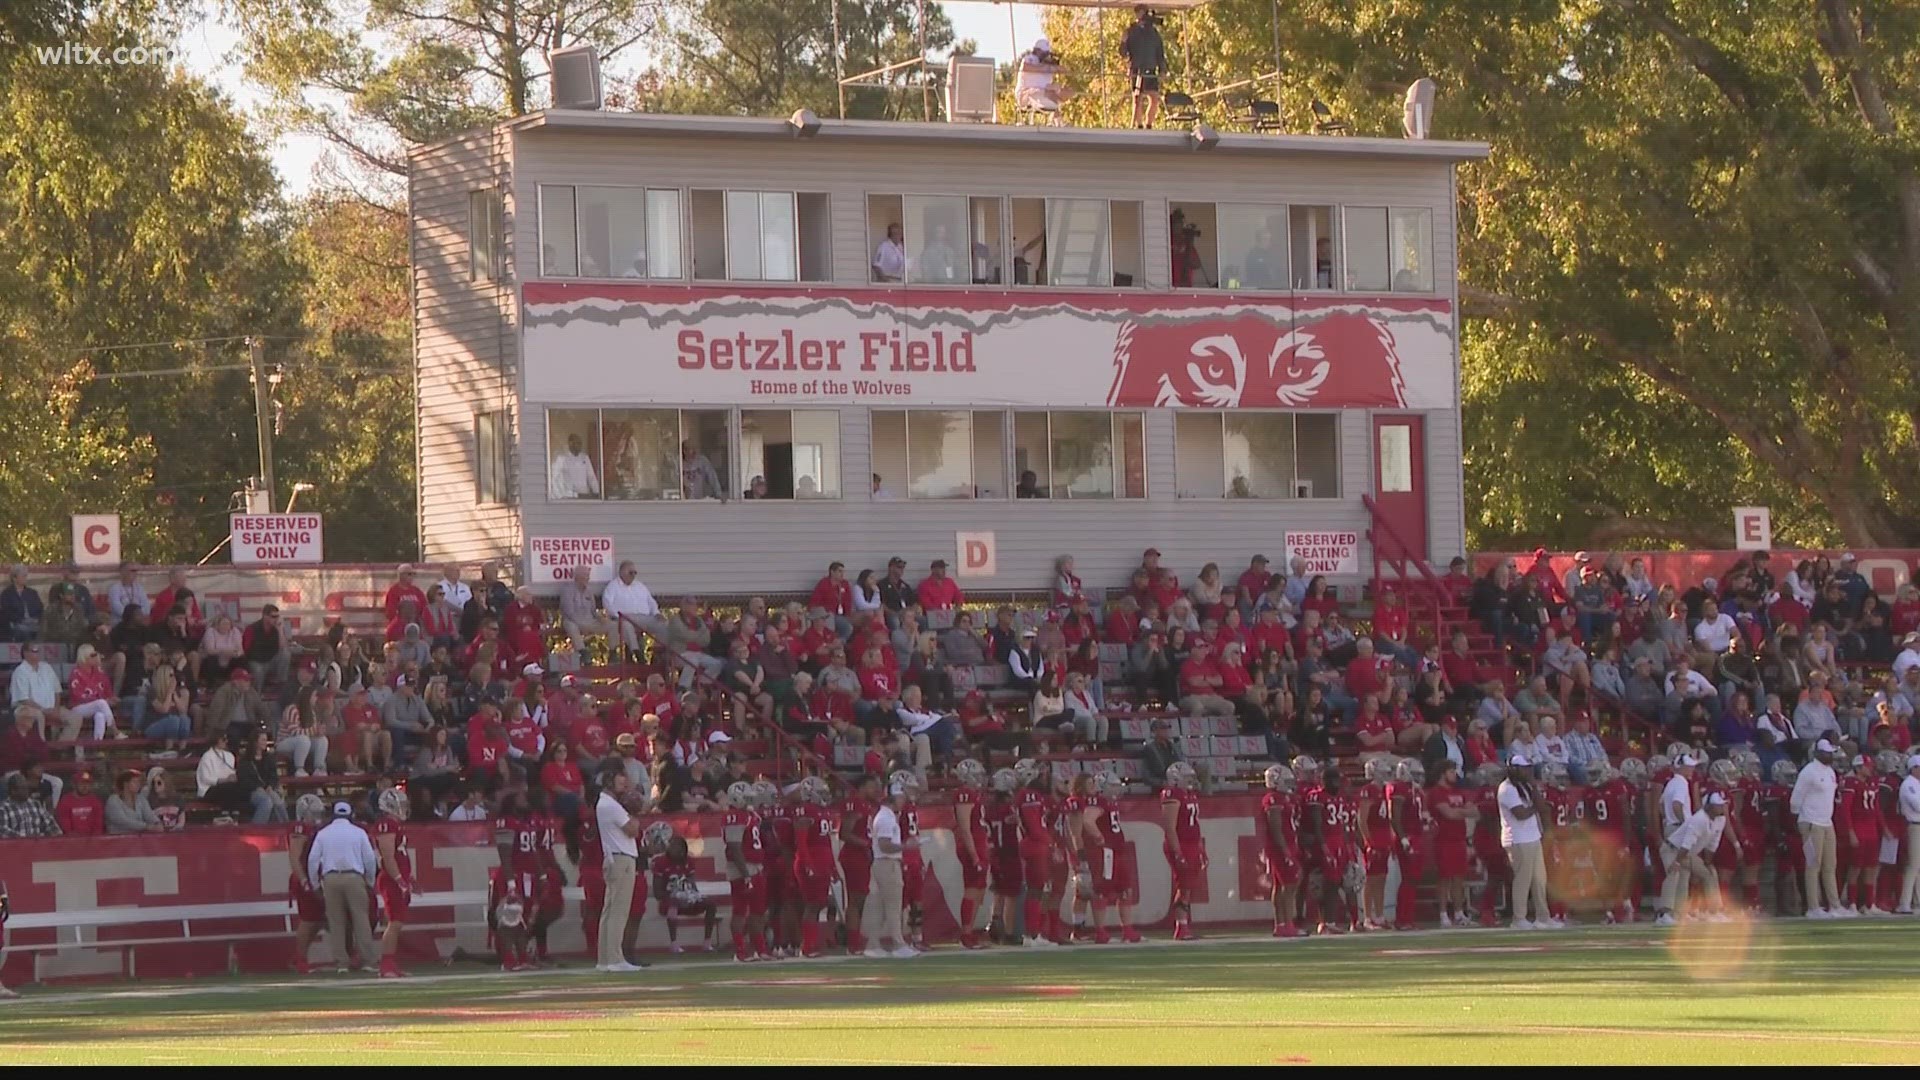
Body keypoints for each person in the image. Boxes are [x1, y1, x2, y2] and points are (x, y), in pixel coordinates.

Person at [306, 800, 380, 974]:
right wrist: (370, 881)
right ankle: (367, 960)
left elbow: (312, 860)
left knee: (336, 921)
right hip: (354, 876)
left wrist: (315, 884)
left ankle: (342, 963)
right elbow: (369, 859)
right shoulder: (359, 832)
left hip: (330, 878)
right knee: (361, 920)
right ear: (350, 814)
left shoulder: (323, 833)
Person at [594, 767, 646, 972]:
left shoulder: (604, 804)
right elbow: (632, 829)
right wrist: (634, 814)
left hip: (615, 857)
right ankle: (615, 958)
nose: (623, 781)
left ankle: (605, 958)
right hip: (621, 857)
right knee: (618, 911)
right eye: (619, 776)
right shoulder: (611, 805)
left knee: (610, 911)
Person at [1657, 792, 1732, 926]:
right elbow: (1686, 843)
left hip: (1687, 853)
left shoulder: (1721, 820)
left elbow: (1712, 844)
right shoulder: (1699, 819)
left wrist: (1708, 863)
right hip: (1673, 849)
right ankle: (1664, 915)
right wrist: (1677, 862)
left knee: (1709, 873)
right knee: (1674, 874)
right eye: (1718, 805)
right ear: (1709, 807)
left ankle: (1713, 912)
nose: (1722, 808)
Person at [1498, 753, 1555, 929]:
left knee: (1540, 879)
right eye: (1523, 769)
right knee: (1523, 879)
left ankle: (1543, 917)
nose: (1527, 772)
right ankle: (1519, 918)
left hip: (1532, 836)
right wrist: (1536, 807)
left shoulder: (1525, 786)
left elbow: (1541, 806)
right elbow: (1520, 814)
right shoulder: (1507, 788)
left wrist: (1533, 787)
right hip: (1518, 839)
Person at [1791, 737, 1845, 917]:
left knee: (1831, 865)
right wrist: (1802, 823)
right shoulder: (1808, 772)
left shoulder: (1830, 771)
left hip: (1827, 822)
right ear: (1817, 753)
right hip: (1811, 822)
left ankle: (1834, 905)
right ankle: (1813, 907)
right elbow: (1796, 798)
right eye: (1827, 752)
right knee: (1813, 865)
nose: (1830, 756)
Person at [869, 774, 915, 958]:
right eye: (901, 797)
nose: (903, 802)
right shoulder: (886, 818)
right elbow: (884, 845)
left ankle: (873, 943)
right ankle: (898, 943)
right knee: (893, 905)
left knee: (883, 906)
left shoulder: (886, 816)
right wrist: (906, 846)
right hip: (887, 863)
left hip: (885, 863)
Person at [1120, 5, 1167, 128]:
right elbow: (1123, 53)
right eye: (1141, 13)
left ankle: (1149, 124)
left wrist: (1162, 69)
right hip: (1136, 68)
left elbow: (1160, 52)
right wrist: (1123, 42)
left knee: (1154, 98)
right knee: (1137, 98)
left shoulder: (1153, 32)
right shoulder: (1131, 31)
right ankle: (1139, 124)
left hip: (1151, 68)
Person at [1014, 37, 1074, 122]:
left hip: (1043, 94)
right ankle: (1058, 121)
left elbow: (1065, 71)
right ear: (1037, 51)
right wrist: (1047, 68)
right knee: (1045, 92)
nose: (1046, 55)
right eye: (1044, 52)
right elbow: (1026, 67)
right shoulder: (1030, 59)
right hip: (1025, 94)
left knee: (1065, 92)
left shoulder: (1048, 65)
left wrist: (1055, 68)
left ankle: (1057, 121)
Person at [0, 772, 60, 838]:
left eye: (27, 788)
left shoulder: (36, 804)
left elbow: (51, 825)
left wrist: (54, 834)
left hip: (39, 845)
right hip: (16, 846)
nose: (27, 791)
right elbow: (2, 831)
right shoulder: (3, 808)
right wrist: (27, 838)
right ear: (13, 791)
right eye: (23, 788)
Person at [1898, 754, 1920, 914]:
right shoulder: (1908, 784)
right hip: (1914, 826)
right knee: (1913, 865)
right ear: (1914, 768)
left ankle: (1917, 901)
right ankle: (1904, 903)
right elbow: (1917, 805)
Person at [550, 434, 601, 498]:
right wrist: (560, 495)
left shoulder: (585, 457)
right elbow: (554, 478)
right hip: (570, 496)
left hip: (585, 495)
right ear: (570, 444)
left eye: (580, 443)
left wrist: (597, 492)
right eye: (578, 443)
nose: (580, 446)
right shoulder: (562, 458)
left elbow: (591, 477)